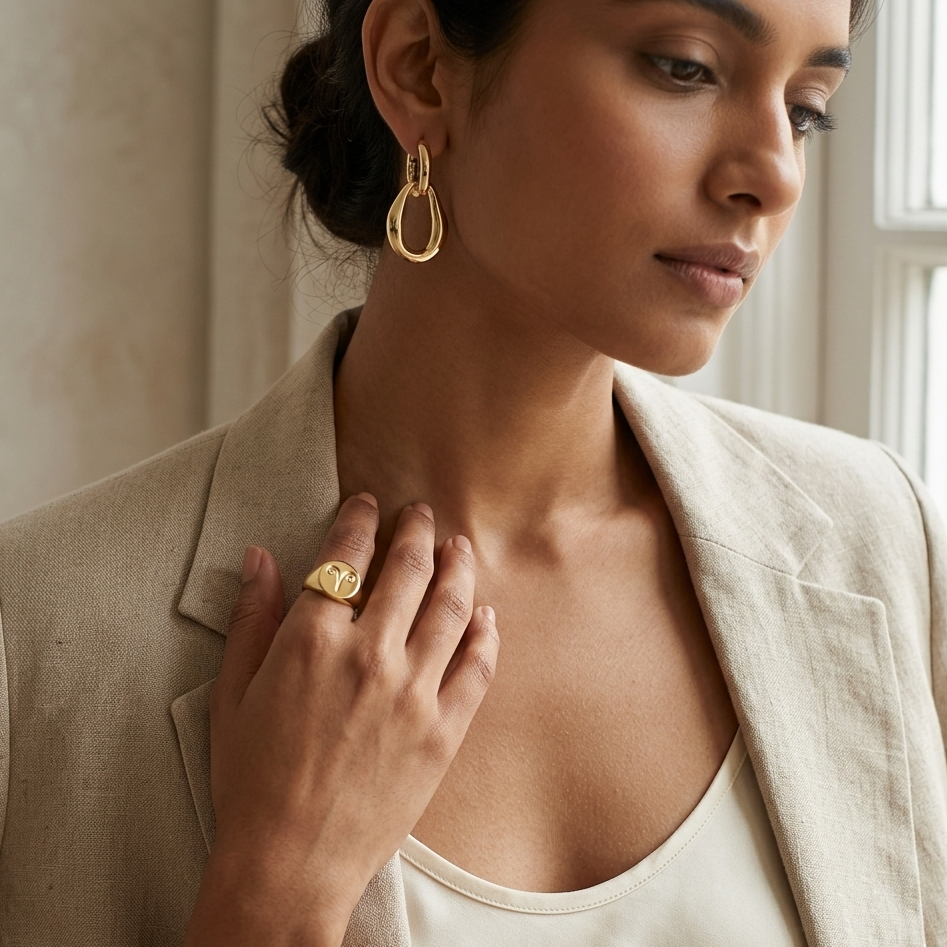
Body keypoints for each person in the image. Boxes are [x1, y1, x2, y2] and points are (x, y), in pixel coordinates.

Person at [0, 0, 944, 944]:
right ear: (418, 67)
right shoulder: (43, 634)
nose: (775, 173)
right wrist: (273, 891)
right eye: (684, 68)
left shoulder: (882, 543)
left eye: (808, 107)